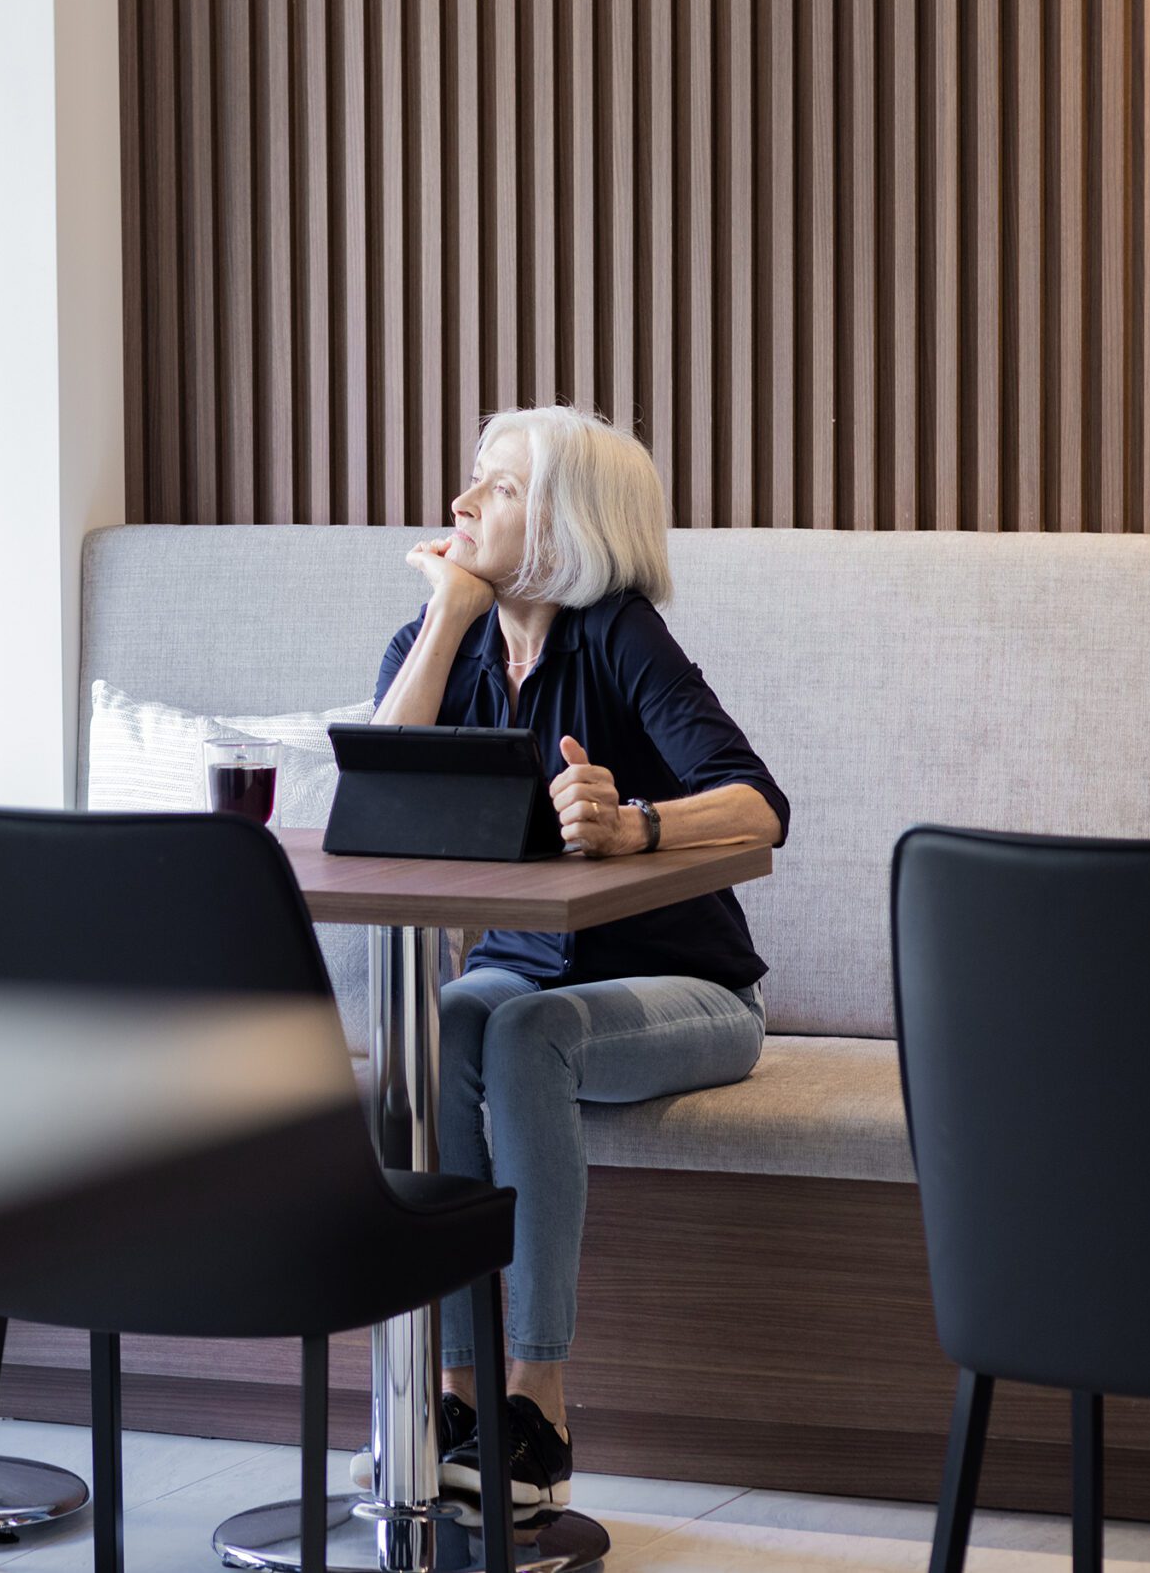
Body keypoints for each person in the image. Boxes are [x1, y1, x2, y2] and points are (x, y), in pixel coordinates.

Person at [369, 405, 788, 1510]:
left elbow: (759, 807)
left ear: (560, 519)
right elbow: (385, 797)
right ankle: (456, 1397)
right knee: (456, 1014)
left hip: (689, 994)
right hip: (521, 974)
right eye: (468, 481)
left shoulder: (616, 633)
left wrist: (637, 824)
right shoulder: (440, 644)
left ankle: (537, 1399)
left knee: (523, 1025)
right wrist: (448, 615)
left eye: (495, 488)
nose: (459, 504)